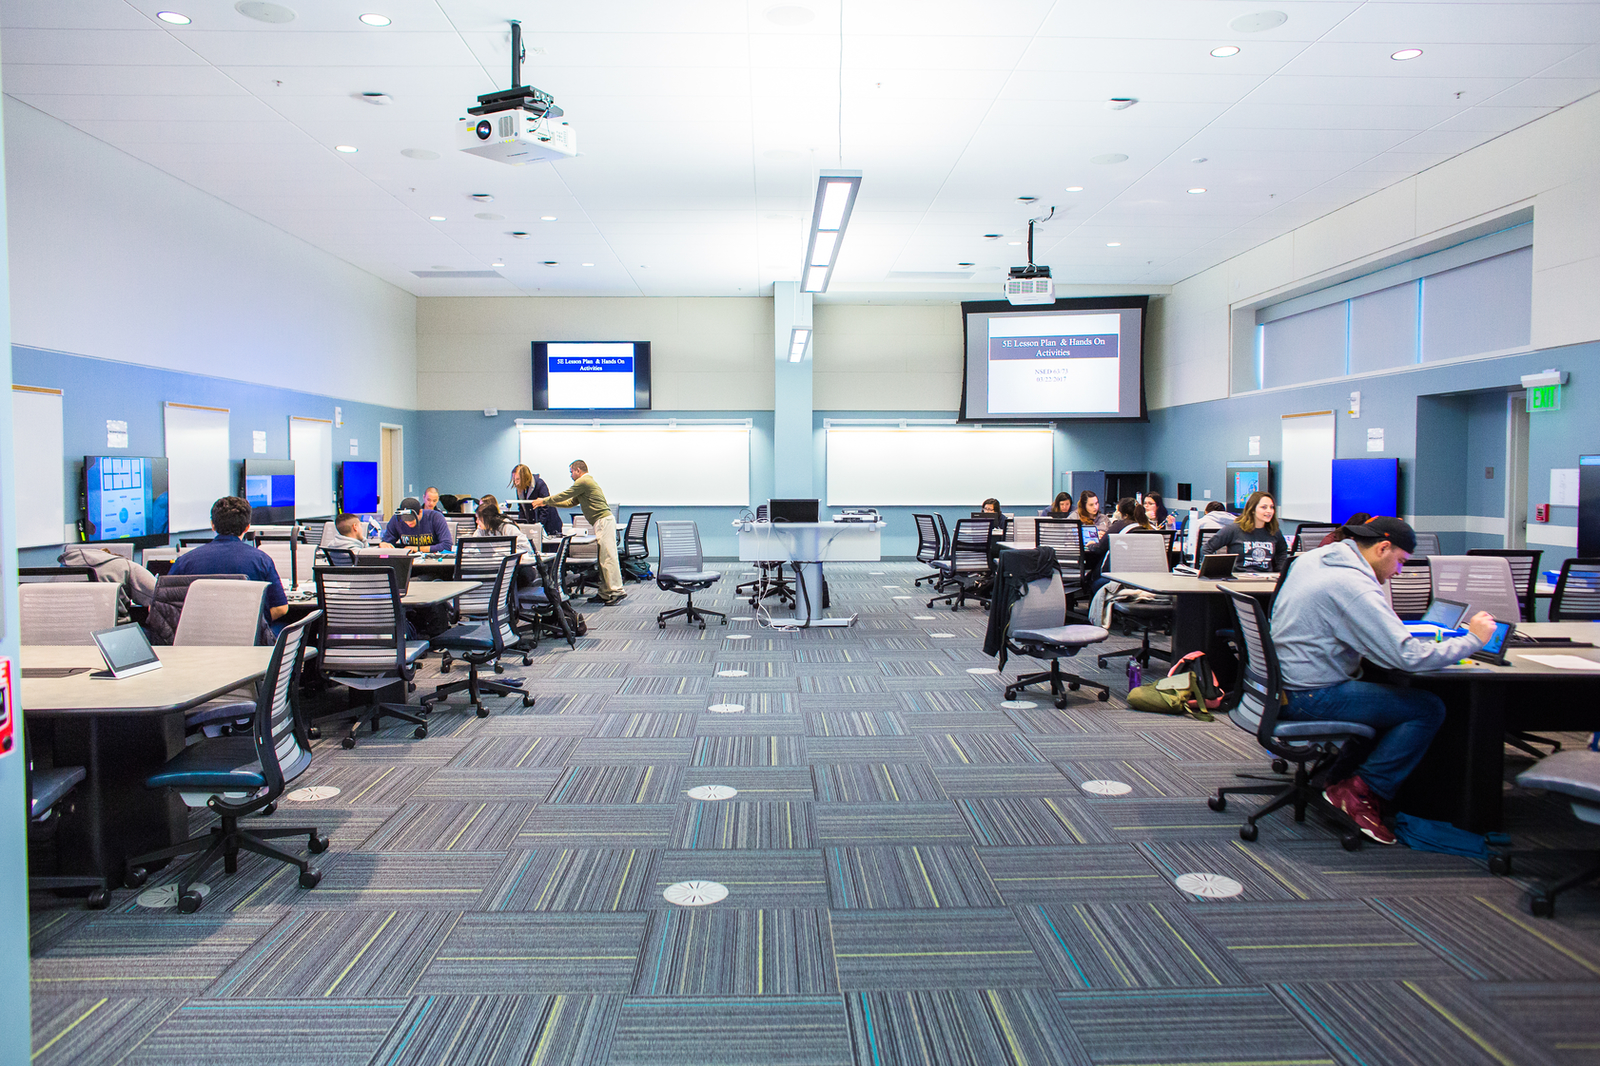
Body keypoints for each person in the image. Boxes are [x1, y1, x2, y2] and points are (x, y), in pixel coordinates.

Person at [1271, 517, 1496, 844]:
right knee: (1426, 709)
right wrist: (1474, 639)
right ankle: (1361, 790)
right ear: (1382, 548)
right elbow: (1407, 658)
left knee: (1385, 697)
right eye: (1401, 561)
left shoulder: (1315, 559)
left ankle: (1338, 778)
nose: (1400, 571)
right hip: (1309, 695)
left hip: (1285, 687)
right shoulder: (1352, 585)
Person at [168, 495, 288, 623]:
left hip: (197, 638)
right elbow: (281, 608)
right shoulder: (261, 560)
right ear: (247, 527)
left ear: (212, 525)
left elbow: (163, 606)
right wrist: (254, 624)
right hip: (247, 638)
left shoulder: (185, 561)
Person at [529, 460, 626, 606]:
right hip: (600, 523)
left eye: (571, 472)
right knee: (602, 560)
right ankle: (605, 593)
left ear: (578, 470)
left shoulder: (584, 481)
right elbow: (570, 502)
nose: (570, 475)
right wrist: (547, 503)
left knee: (608, 559)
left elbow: (564, 495)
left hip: (604, 522)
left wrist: (545, 500)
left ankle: (617, 591)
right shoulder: (585, 484)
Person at [58, 543, 156, 624]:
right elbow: (160, 597)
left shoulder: (59, 572)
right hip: (113, 634)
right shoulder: (124, 566)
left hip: (63, 639)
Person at [1203, 490, 1286, 572]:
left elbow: (1282, 552)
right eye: (1263, 507)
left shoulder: (1274, 531)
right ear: (1252, 509)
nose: (1269, 511)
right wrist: (1218, 571)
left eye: (1271, 507)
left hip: (1266, 580)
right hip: (1240, 580)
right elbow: (1207, 548)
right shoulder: (1234, 529)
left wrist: (1279, 571)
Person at [382, 497, 454, 552]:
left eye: (412, 520)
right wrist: (384, 544)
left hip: (433, 559)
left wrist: (416, 549)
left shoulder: (435, 517)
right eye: (405, 520)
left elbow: (446, 545)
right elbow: (387, 542)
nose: (408, 523)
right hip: (408, 560)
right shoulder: (396, 519)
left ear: (420, 512)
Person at [510, 464, 562, 537]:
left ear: (525, 478)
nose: (516, 483)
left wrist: (538, 527)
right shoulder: (520, 489)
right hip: (533, 526)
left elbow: (545, 507)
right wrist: (522, 526)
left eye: (518, 479)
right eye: (514, 480)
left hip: (549, 526)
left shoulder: (540, 484)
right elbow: (522, 508)